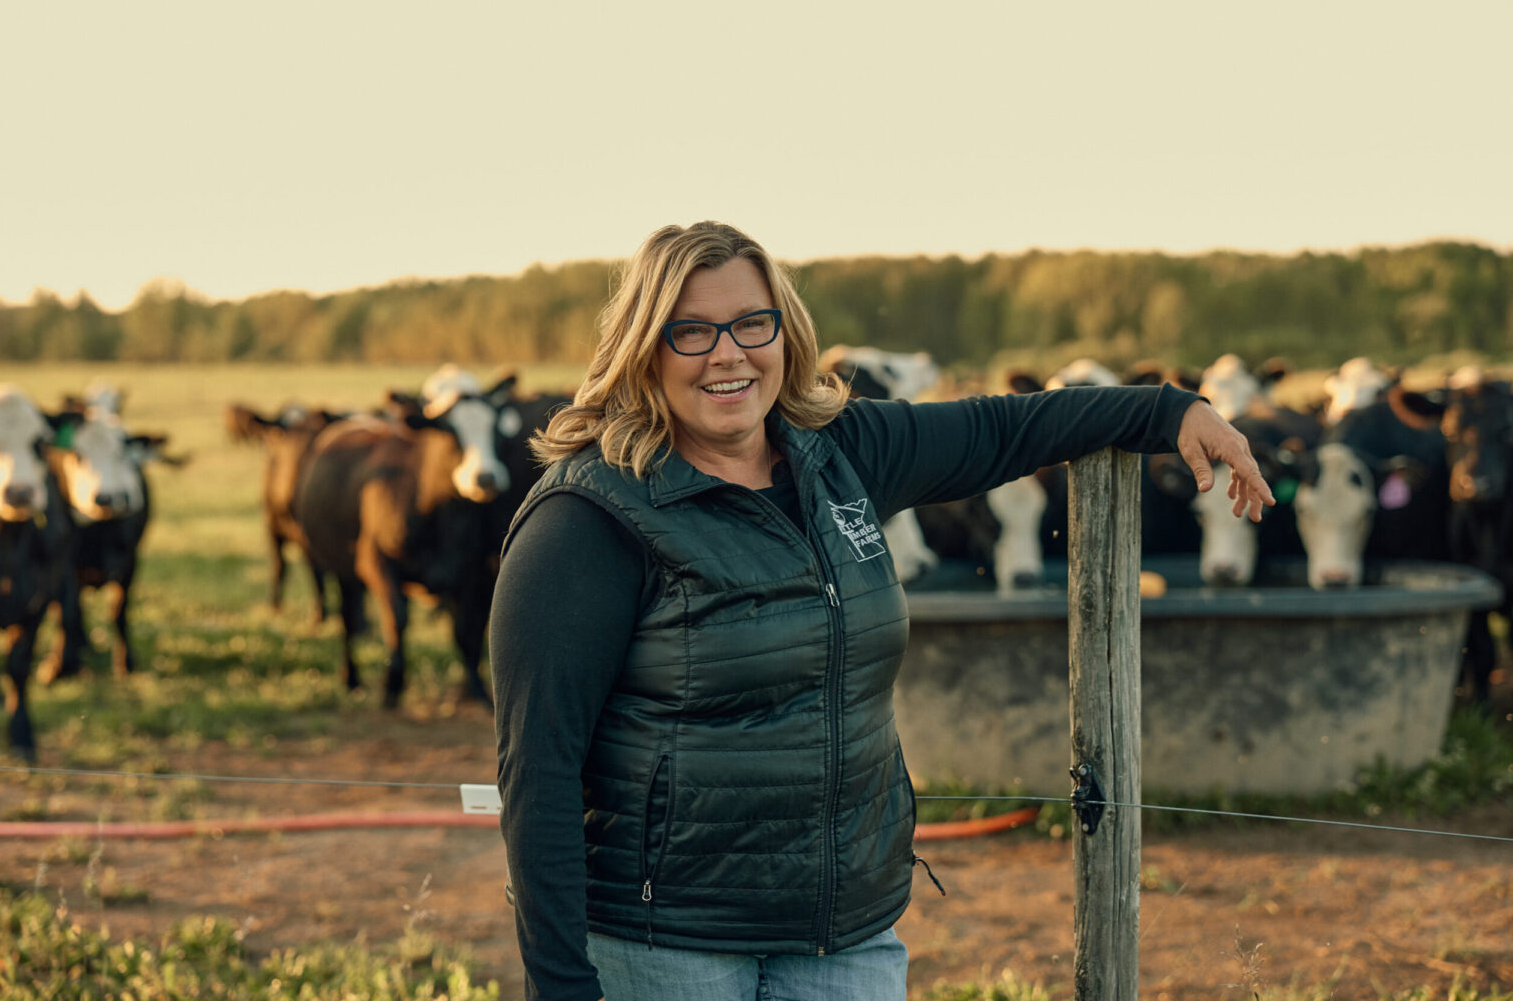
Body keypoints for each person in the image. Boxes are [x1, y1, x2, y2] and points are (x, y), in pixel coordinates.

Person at [490, 221, 1273, 1001]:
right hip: (668, 949)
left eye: (751, 324)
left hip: (848, 938)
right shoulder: (587, 520)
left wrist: (1172, 413)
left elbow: (1007, 428)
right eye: (690, 331)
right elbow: (539, 770)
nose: (728, 354)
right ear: (643, 348)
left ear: (785, 335)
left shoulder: (840, 455)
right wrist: (561, 987)